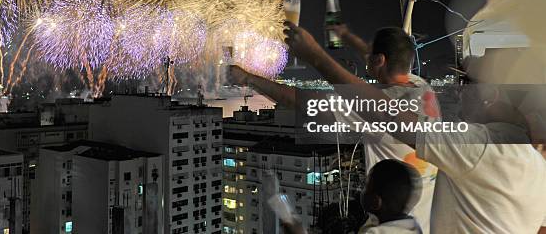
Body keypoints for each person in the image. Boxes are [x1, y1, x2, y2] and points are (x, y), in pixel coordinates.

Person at [281, 21, 546, 234]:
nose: (460, 90)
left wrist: (316, 56)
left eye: (466, 81)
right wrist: (348, 36)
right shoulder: (534, 163)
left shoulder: (482, 147)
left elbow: (390, 117)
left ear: (493, 95)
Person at [229, 25, 440, 233]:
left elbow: (304, 103)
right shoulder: (421, 89)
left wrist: (249, 78)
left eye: (370, 54)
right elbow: (376, 59)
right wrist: (346, 35)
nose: (365, 56)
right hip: (421, 221)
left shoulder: (375, 107)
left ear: (379, 60)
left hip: (388, 224)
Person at [359, 159, 423, 234]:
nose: (362, 190)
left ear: (376, 200)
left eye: (366, 186)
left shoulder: (374, 232)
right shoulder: (414, 228)